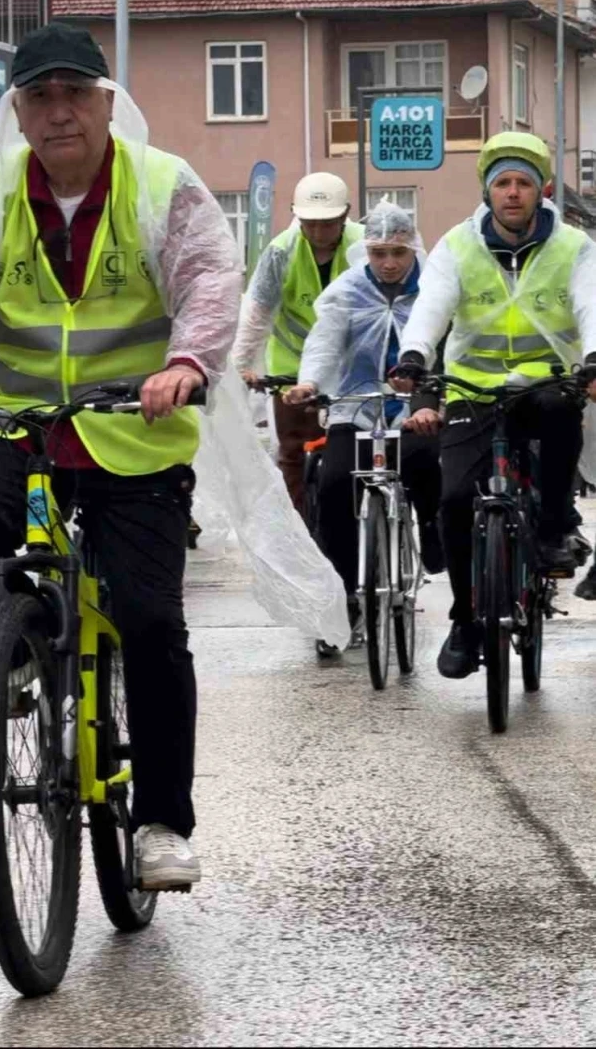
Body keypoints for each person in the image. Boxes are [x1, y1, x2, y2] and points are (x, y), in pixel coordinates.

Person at [0, 23, 242, 891]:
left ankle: (160, 823)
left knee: (150, 622)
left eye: (76, 93)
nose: (59, 112)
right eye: (40, 97)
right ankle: (25, 650)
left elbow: (208, 282)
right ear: (19, 112)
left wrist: (187, 365)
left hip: (132, 434)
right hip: (22, 424)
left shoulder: (161, 186)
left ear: (108, 103)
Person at [394, 131, 596, 679]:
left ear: (542, 190)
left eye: (523, 184)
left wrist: (594, 356)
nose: (512, 193)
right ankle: (465, 621)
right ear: (487, 192)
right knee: (457, 500)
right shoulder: (458, 246)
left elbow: (591, 302)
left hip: (544, 383)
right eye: (502, 183)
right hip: (472, 389)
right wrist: (413, 356)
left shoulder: (574, 247)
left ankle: (555, 525)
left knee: (560, 413)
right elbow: (432, 305)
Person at [284, 201, 444, 642]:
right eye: (378, 253)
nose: (389, 263)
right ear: (365, 252)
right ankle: (345, 592)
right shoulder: (346, 290)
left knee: (424, 460)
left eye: (398, 252)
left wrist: (433, 399)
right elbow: (324, 341)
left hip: (418, 406)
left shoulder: (435, 286)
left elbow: (450, 342)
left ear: (413, 248)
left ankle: (432, 530)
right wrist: (309, 382)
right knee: (334, 483)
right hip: (357, 403)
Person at [232, 171, 364, 512]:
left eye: (328, 224)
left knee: (352, 456)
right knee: (292, 456)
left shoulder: (363, 247)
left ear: (346, 214)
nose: (318, 232)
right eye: (310, 224)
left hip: (351, 370)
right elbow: (257, 315)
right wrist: (242, 368)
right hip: (292, 370)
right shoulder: (281, 252)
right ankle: (303, 529)